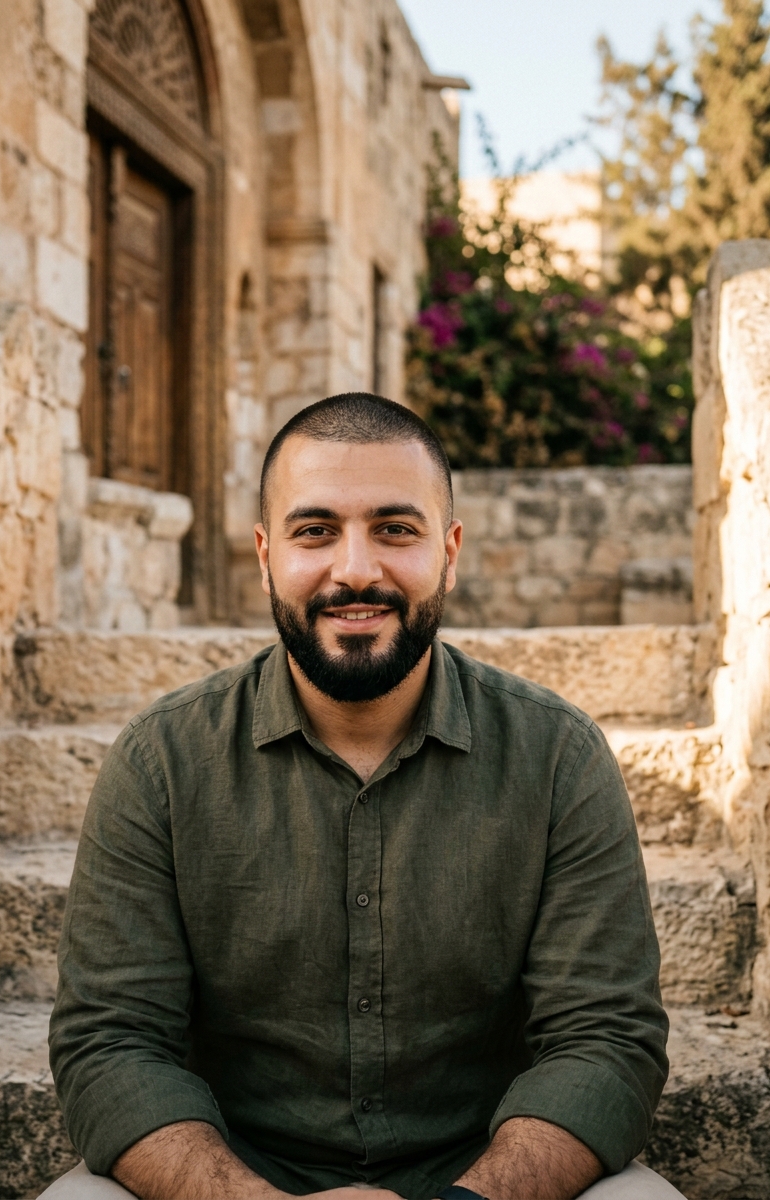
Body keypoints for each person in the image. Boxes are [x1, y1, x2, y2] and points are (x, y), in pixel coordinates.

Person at [44, 394, 683, 1200]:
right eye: (316, 531)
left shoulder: (558, 756)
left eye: (395, 529)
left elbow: (607, 1038)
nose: (354, 570)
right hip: (233, 1180)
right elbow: (110, 1041)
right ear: (266, 555)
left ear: (449, 552)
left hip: (485, 1180)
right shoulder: (160, 762)